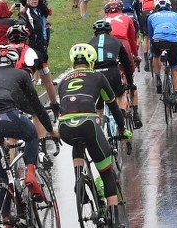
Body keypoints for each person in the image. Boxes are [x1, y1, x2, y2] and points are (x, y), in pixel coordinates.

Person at [57, 43, 131, 228]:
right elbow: (113, 105)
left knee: (78, 142)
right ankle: (115, 220)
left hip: (65, 126)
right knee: (106, 172)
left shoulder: (64, 80)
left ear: (73, 62)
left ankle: (78, 179)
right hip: (88, 124)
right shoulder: (98, 76)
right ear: (91, 61)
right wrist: (123, 129)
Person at [0, 45, 55, 209]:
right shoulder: (20, 74)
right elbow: (36, 107)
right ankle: (30, 175)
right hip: (8, 115)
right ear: (14, 62)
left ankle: (6, 219)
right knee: (31, 135)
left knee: (1, 177)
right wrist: (50, 129)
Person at [89, 20, 141, 128]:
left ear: (95, 33)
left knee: (99, 102)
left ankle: (100, 126)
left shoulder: (89, 43)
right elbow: (126, 63)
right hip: (111, 72)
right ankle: (120, 118)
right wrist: (130, 83)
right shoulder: (116, 41)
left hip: (95, 74)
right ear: (109, 31)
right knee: (120, 94)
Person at [148, 0, 177, 112]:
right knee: (174, 69)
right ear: (169, 7)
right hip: (172, 41)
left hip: (157, 40)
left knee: (156, 56)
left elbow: (150, 35)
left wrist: (152, 51)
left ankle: (158, 77)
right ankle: (176, 94)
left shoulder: (151, 17)